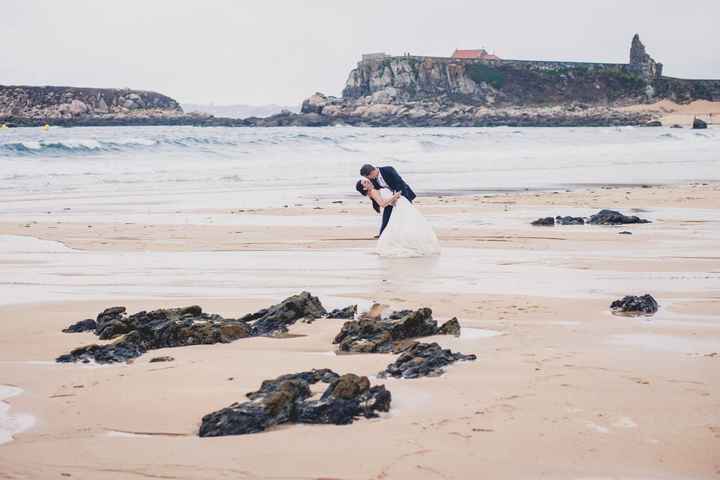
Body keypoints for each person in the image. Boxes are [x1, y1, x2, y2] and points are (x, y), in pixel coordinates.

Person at [355, 175, 440, 258]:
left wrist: (393, 199)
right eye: (365, 182)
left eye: (366, 180)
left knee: (405, 225)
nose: (368, 181)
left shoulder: (375, 189)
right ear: (364, 188)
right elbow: (383, 204)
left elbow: (387, 201)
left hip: (399, 204)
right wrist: (395, 196)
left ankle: (409, 242)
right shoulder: (373, 191)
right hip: (399, 204)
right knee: (407, 224)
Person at [360, 164, 416, 236]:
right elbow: (377, 189)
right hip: (390, 197)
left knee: (407, 214)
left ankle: (410, 232)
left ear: (372, 172)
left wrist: (397, 197)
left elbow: (400, 183)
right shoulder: (372, 178)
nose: (368, 179)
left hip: (403, 194)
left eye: (367, 176)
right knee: (387, 214)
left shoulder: (388, 170)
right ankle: (383, 234)